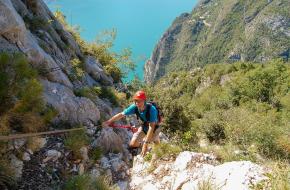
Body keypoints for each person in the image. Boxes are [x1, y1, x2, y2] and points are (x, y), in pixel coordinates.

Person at [102, 90, 161, 157]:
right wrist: (109, 121)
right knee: (132, 144)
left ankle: (156, 141)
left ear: (144, 100)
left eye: (139, 101)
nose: (137, 103)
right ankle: (149, 141)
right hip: (144, 125)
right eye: (135, 101)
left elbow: (151, 127)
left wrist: (145, 144)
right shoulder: (135, 107)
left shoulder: (152, 109)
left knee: (155, 142)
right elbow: (121, 114)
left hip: (154, 127)